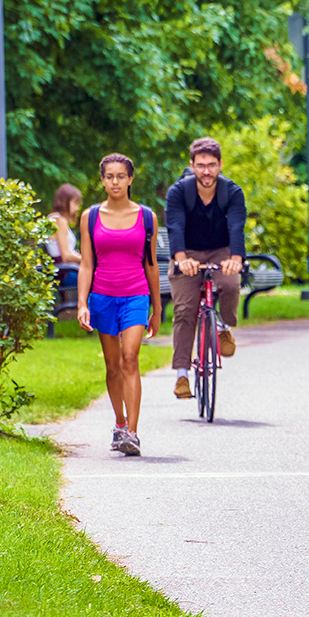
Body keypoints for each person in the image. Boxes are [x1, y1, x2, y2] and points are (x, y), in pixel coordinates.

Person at [77, 154, 162, 457]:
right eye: (109, 176)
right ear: (102, 180)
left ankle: (133, 433)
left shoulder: (147, 216)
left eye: (121, 176)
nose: (115, 181)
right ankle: (119, 422)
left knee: (130, 358)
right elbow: (86, 264)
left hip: (136, 295)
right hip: (102, 296)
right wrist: (82, 304)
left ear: (130, 179)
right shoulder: (90, 216)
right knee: (112, 366)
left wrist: (158, 308)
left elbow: (151, 265)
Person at [165, 137, 247, 400]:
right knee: (185, 309)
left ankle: (223, 325)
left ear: (220, 165)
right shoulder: (178, 192)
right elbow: (175, 226)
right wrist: (181, 258)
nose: (206, 171)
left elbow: (236, 226)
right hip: (187, 253)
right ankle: (181, 374)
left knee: (231, 284)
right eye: (200, 165)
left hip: (221, 250)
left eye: (211, 165)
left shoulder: (232, 192)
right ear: (192, 165)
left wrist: (235, 257)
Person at [47, 184, 82, 287]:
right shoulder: (59, 221)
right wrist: (87, 259)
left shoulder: (54, 218)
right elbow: (66, 256)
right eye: (75, 203)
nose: (77, 208)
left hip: (65, 271)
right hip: (65, 274)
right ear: (64, 202)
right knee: (102, 280)